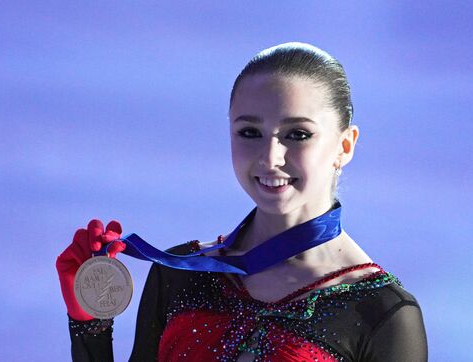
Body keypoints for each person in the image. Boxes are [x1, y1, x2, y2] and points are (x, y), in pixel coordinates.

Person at [56, 42, 428, 361]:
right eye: (250, 132)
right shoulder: (180, 272)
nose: (270, 157)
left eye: (297, 134)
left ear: (344, 146)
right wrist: (89, 323)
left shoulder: (383, 313)